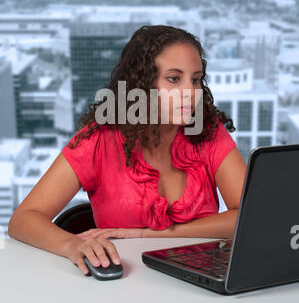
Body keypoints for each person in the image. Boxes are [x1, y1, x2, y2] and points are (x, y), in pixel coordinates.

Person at [8, 25, 247, 276]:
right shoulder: (99, 140)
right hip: (122, 289)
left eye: (196, 79)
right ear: (141, 83)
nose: (190, 92)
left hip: (199, 279)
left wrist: (149, 234)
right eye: (174, 79)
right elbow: (23, 219)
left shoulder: (208, 132)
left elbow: (248, 217)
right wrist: (72, 245)